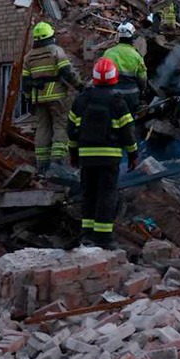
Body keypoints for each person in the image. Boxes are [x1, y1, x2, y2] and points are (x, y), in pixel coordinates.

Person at [67, 58, 138, 249]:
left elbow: (71, 130)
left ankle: (87, 235)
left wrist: (73, 154)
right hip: (109, 157)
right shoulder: (118, 102)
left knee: (89, 193)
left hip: (86, 157)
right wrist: (133, 155)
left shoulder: (81, 100)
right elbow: (128, 132)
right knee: (106, 194)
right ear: (114, 78)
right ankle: (103, 238)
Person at [21, 22, 82, 172]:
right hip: (57, 96)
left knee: (42, 128)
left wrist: (29, 99)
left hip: (38, 98)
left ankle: (42, 165)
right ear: (50, 36)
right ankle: (58, 162)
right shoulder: (56, 51)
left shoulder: (28, 57)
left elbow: (26, 82)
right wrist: (80, 86)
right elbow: (67, 72)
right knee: (60, 125)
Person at [102, 22, 146, 114]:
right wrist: (143, 91)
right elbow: (143, 78)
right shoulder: (136, 56)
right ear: (132, 37)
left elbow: (101, 75)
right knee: (129, 119)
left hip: (111, 94)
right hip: (130, 96)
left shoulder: (108, 53)